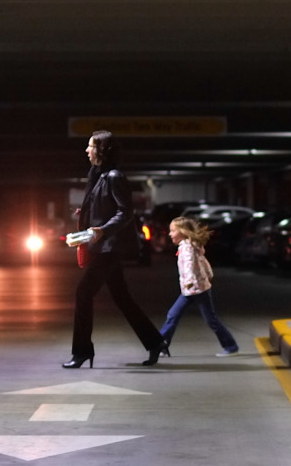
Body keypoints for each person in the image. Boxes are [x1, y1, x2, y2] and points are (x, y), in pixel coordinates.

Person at [63, 130, 166, 368]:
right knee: (122, 297)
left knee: (83, 292)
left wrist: (103, 230)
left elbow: (125, 212)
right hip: (101, 245)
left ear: (102, 150)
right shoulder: (96, 174)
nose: (86, 150)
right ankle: (155, 342)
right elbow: (103, 205)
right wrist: (87, 214)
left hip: (111, 247)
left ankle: (81, 352)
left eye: (90, 146)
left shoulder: (114, 176)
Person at [158, 217, 240, 357]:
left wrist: (189, 282)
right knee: (174, 315)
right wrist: (208, 275)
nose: (170, 234)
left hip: (195, 288)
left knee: (184, 316)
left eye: (173, 231)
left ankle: (231, 346)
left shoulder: (187, 248)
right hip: (195, 288)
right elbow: (203, 262)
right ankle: (161, 346)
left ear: (183, 232)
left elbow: (190, 265)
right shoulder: (191, 245)